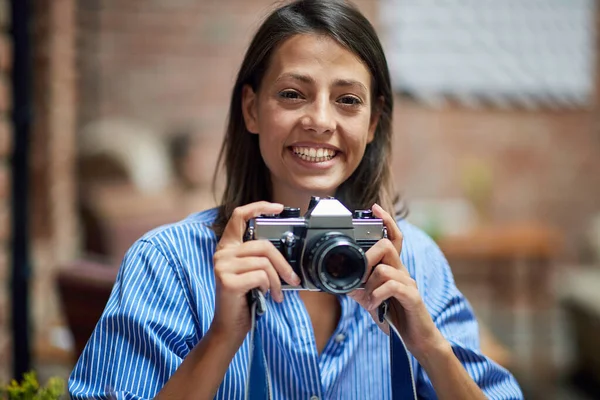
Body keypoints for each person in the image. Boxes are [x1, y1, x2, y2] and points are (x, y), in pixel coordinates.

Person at [68, 1, 523, 399]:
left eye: (347, 100)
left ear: (372, 121)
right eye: (292, 94)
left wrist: (428, 345)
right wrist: (222, 337)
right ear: (251, 109)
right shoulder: (167, 264)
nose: (320, 120)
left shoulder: (416, 260)